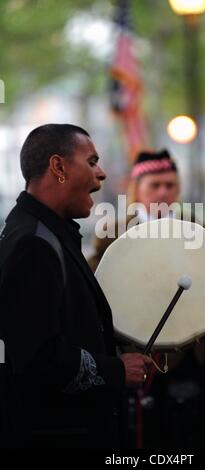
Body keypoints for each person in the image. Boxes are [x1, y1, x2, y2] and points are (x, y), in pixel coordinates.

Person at [0, 124, 151, 449]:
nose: (102, 174)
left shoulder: (45, 232)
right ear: (59, 167)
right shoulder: (33, 244)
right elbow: (37, 359)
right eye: (92, 161)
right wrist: (116, 370)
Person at [88, 149, 205, 449]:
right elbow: (99, 297)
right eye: (155, 185)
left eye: (170, 185)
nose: (164, 192)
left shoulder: (194, 228)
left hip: (193, 353)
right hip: (139, 354)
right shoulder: (114, 232)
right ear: (136, 188)